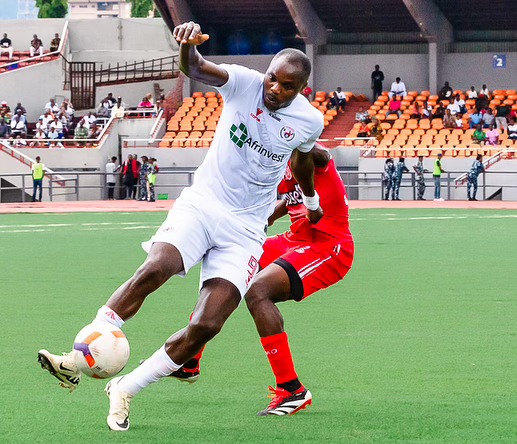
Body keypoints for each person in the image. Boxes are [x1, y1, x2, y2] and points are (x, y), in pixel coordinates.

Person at [37, 20, 324, 432]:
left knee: (207, 325)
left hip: (246, 228)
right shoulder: (245, 83)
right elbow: (198, 68)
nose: (275, 89)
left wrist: (310, 199)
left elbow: (301, 159)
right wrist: (187, 47)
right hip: (203, 204)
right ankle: (81, 351)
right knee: (157, 267)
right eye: (273, 79)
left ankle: (126, 388)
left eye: (287, 86)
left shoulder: (309, 121)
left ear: (301, 90)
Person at [171, 144, 353, 415]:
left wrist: (297, 139)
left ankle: (292, 390)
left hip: (328, 247)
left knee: (258, 291)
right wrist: (263, 218)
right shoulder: (277, 159)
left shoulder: (310, 153)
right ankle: (189, 361)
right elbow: (289, 201)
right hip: (294, 240)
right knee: (226, 264)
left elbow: (320, 156)